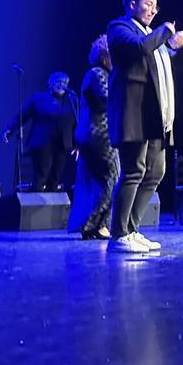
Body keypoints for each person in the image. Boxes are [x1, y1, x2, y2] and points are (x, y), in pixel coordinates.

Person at [107, 0, 183, 254]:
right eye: (148, 4)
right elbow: (140, 49)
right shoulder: (120, 28)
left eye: (156, 5)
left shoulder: (152, 37)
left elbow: (174, 64)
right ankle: (118, 234)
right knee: (133, 171)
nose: (154, 10)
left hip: (156, 118)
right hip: (134, 115)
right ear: (132, 4)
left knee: (156, 172)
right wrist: (166, 31)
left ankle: (132, 229)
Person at [67, 37, 118, 239]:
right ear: (105, 56)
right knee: (112, 179)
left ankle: (99, 225)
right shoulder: (97, 74)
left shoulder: (101, 74)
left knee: (105, 180)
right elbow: (108, 99)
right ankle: (91, 224)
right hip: (99, 134)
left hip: (97, 134)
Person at [3, 71, 79, 192]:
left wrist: (77, 145)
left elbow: (75, 122)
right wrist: (9, 129)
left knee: (55, 178)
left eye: (64, 82)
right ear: (50, 83)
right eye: (58, 81)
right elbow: (22, 116)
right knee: (41, 175)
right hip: (43, 144)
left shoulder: (71, 100)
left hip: (62, 145)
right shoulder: (38, 98)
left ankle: (48, 209)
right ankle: (35, 208)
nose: (61, 84)